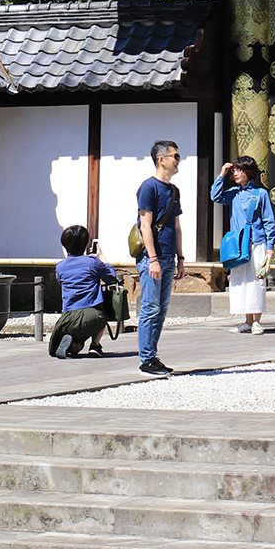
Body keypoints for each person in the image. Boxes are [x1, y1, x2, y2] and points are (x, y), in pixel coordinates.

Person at [133, 139, 184, 376]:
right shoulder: (148, 188)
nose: (178, 160)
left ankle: (153, 355)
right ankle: (146, 359)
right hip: (152, 258)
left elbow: (176, 226)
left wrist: (181, 258)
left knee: (161, 309)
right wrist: (152, 259)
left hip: (168, 257)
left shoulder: (174, 191)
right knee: (150, 308)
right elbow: (145, 226)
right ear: (161, 160)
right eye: (175, 156)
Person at [211, 156, 275, 334]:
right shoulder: (233, 193)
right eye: (235, 171)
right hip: (238, 245)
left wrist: (270, 245)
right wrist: (221, 175)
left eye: (240, 170)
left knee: (257, 280)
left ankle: (256, 321)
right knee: (240, 280)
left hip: (257, 242)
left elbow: (269, 220)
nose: (236, 174)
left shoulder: (260, 193)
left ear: (249, 172)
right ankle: (246, 321)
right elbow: (215, 196)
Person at [49, 225, 117, 359]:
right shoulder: (92, 262)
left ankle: (72, 343)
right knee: (102, 313)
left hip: (67, 317)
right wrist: (101, 257)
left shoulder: (60, 267)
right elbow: (111, 277)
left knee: (77, 347)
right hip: (92, 315)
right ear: (85, 243)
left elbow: (61, 281)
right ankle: (95, 345)